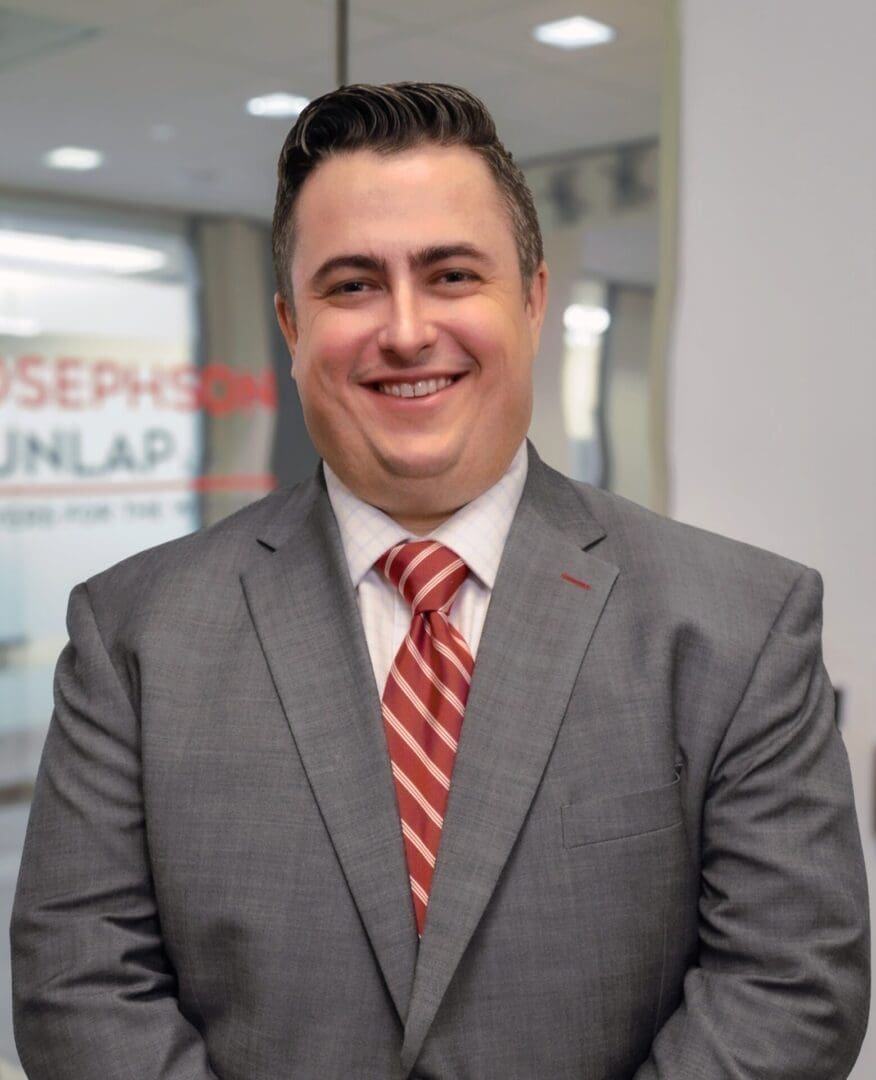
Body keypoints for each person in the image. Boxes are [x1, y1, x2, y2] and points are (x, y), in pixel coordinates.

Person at [11, 82, 869, 1079]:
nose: (408, 330)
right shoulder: (133, 636)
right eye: (352, 285)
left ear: (534, 297)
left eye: (453, 274)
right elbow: (78, 988)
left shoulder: (739, 626)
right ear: (290, 326)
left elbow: (790, 986)